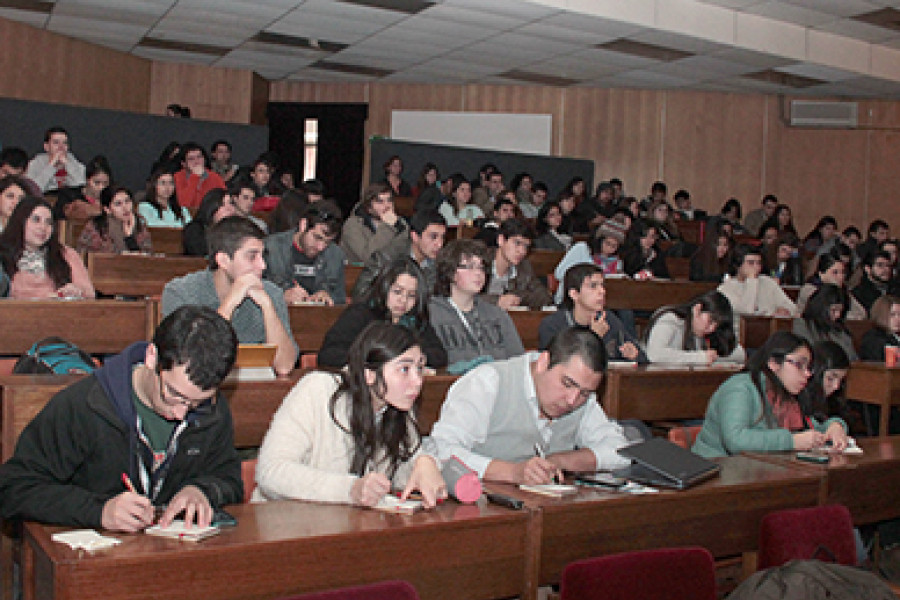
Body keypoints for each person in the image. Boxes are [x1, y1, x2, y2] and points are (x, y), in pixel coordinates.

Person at [0, 305, 242, 530]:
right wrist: (100, 511)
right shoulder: (84, 405)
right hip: (86, 550)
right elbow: (13, 489)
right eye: (173, 394)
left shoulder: (212, 410)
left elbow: (229, 478)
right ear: (152, 357)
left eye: (196, 403)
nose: (180, 413)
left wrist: (202, 491)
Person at [253, 322, 446, 507]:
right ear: (369, 375)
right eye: (404, 369)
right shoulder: (318, 390)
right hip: (285, 520)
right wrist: (350, 489)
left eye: (419, 368)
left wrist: (424, 463)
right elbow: (271, 472)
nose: (417, 381)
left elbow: (398, 477)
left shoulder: (399, 406)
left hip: (348, 523)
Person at [428, 327, 631, 483]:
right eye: (567, 384)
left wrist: (560, 461)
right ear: (543, 362)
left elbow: (621, 451)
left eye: (584, 393)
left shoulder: (582, 397)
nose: (572, 400)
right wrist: (512, 472)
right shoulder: (488, 382)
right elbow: (442, 450)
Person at [163, 216, 298, 376]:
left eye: (263, 256)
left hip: (255, 385)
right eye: (252, 257)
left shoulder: (271, 293)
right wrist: (231, 302)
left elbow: (284, 366)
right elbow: (193, 362)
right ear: (223, 260)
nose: (262, 265)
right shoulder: (181, 292)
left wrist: (268, 307)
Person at [691, 331, 849, 458]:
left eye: (809, 367)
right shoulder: (740, 388)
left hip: (758, 470)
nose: (807, 374)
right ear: (773, 363)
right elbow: (736, 441)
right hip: (715, 470)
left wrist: (835, 426)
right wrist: (792, 441)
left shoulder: (786, 392)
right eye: (799, 365)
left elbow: (811, 426)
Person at [319, 257, 447, 368]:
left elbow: (439, 356)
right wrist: (378, 359)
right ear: (384, 287)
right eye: (397, 292)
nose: (403, 300)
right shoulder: (359, 314)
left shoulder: (416, 319)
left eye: (411, 295)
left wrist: (418, 357)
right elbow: (328, 355)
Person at [429, 239, 524, 365]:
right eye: (470, 267)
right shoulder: (431, 314)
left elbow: (518, 360)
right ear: (450, 272)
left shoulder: (497, 315)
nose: (478, 273)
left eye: (481, 267)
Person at [538, 263, 646, 363]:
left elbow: (644, 359)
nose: (602, 291)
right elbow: (556, 365)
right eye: (593, 286)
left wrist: (635, 355)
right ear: (574, 294)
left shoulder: (609, 319)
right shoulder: (553, 325)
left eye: (602, 285)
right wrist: (593, 337)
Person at [0, 196, 94, 299]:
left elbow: (89, 294)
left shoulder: (66, 254)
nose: (43, 227)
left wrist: (76, 292)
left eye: (48, 222)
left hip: (59, 308)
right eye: (36, 220)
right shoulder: (3, 252)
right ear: (20, 221)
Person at [352, 208, 446, 302]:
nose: (439, 244)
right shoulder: (387, 257)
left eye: (442, 237)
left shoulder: (439, 263)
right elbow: (360, 294)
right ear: (415, 236)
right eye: (433, 237)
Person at [264, 202, 346, 305]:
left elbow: (340, 299)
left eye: (327, 242)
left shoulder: (336, 255)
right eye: (317, 238)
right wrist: (280, 296)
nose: (320, 247)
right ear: (303, 225)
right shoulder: (271, 249)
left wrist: (328, 297)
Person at [644, 290, 745, 364]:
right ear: (697, 309)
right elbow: (655, 354)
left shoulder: (710, 332)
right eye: (710, 321)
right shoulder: (670, 318)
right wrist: (700, 358)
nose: (711, 329)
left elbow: (740, 354)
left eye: (716, 326)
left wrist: (713, 357)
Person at [717, 245, 797, 331]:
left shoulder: (768, 282)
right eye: (751, 263)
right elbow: (748, 312)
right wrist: (751, 279)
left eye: (758, 263)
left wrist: (784, 310)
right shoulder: (725, 289)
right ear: (737, 265)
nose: (756, 267)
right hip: (742, 332)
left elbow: (792, 307)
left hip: (770, 330)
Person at [483, 218, 552, 311]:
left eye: (526, 246)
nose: (522, 251)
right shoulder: (481, 261)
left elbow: (544, 297)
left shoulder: (524, 266)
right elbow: (466, 295)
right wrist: (496, 301)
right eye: (517, 243)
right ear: (501, 240)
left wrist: (517, 297)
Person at [341, 183, 409, 264]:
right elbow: (367, 258)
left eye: (389, 200)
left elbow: (404, 254)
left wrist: (396, 226)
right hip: (357, 271)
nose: (387, 205)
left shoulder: (401, 223)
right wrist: (387, 227)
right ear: (369, 207)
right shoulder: (353, 225)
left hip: (392, 270)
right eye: (380, 202)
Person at [77, 186, 153, 254]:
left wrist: (129, 238)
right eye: (118, 204)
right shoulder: (95, 226)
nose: (125, 208)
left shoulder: (139, 224)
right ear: (107, 209)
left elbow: (145, 258)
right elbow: (83, 254)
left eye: (127, 201)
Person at [793, 284, 858, 361]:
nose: (838, 315)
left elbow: (852, 356)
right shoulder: (802, 325)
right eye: (834, 310)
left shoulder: (839, 328)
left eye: (840, 311)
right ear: (821, 307)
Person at [796, 250, 867, 320]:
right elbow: (824, 313)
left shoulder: (843, 290)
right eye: (835, 272)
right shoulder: (810, 289)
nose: (841, 277)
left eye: (843, 272)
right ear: (821, 274)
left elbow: (862, 313)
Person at [798, 341, 852, 429]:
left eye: (841, 380)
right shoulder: (798, 400)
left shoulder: (834, 400)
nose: (836, 386)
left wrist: (838, 425)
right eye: (830, 378)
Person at [25, 126, 86, 193]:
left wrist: (68, 165)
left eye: (65, 143)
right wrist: (51, 166)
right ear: (46, 147)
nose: (61, 147)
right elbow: (32, 190)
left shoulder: (75, 163)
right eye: (56, 142)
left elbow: (83, 186)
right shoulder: (35, 164)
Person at [52, 155, 111, 220]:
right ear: (87, 180)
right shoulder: (69, 196)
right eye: (97, 183)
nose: (101, 187)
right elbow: (58, 217)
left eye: (105, 183)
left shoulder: (112, 198)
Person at [182, 188, 236, 257]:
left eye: (231, 203)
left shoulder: (236, 229)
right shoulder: (194, 230)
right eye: (222, 204)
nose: (229, 209)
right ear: (212, 207)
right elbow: (199, 255)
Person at [174, 142, 226, 209]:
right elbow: (183, 204)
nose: (196, 161)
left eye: (199, 157)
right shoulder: (177, 177)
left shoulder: (215, 177)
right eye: (191, 159)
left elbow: (224, 200)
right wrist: (195, 177)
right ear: (183, 164)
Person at [852, 251, 898, 316]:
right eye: (880, 265)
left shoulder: (895, 289)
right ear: (867, 269)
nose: (886, 269)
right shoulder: (858, 294)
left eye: (888, 265)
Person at [859, 295, 900, 361]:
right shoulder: (873, 339)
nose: (898, 319)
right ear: (881, 315)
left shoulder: (893, 335)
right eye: (892, 315)